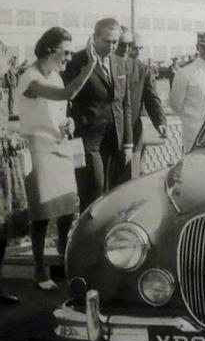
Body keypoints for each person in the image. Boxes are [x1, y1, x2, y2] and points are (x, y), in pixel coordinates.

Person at [17, 27, 97, 290]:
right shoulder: (31, 77)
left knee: (65, 209)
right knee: (41, 215)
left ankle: (64, 261)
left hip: (60, 147)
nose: (70, 57)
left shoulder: (55, 76)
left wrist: (68, 122)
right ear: (51, 50)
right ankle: (39, 272)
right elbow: (66, 95)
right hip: (38, 148)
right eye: (67, 51)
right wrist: (90, 66)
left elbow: (59, 108)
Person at [63, 18, 133, 213]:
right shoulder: (76, 62)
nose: (112, 46)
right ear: (94, 38)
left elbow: (125, 104)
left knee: (116, 194)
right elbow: (68, 98)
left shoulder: (120, 63)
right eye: (107, 41)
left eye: (115, 42)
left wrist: (128, 142)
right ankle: (88, 238)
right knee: (93, 191)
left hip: (115, 139)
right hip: (89, 140)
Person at [116, 28, 166, 180]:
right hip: (110, 137)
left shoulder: (141, 68)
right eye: (125, 45)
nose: (132, 50)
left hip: (133, 132)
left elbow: (151, 98)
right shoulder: (105, 67)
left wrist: (160, 121)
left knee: (131, 181)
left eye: (135, 47)